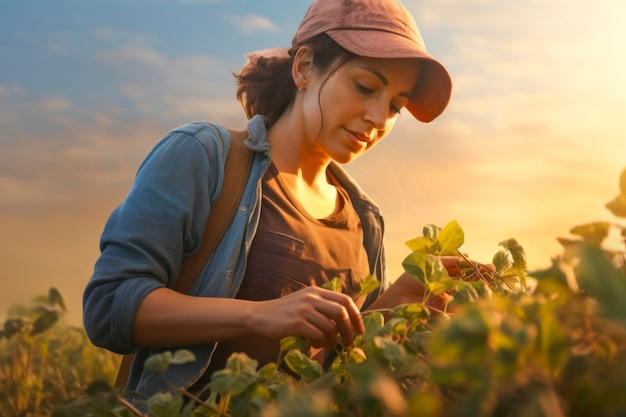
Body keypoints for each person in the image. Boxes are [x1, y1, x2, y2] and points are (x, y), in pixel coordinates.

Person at [83, 0, 454, 402]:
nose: (380, 117)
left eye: (396, 105)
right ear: (304, 68)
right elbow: (109, 306)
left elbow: (331, 369)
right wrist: (259, 316)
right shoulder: (204, 155)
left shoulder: (366, 222)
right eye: (365, 87)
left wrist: (390, 311)